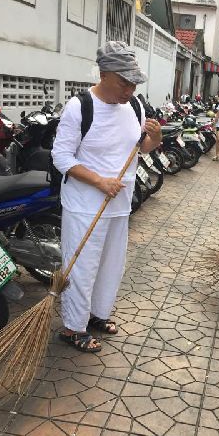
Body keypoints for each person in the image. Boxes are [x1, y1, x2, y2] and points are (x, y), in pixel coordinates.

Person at [52, 41, 162, 353]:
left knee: (110, 264)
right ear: (104, 74)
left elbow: (139, 149)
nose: (129, 90)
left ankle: (97, 315)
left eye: (133, 83)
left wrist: (157, 137)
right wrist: (99, 181)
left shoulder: (135, 106)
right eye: (123, 83)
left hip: (119, 203)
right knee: (82, 266)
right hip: (85, 204)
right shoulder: (80, 107)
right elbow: (61, 157)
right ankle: (73, 327)